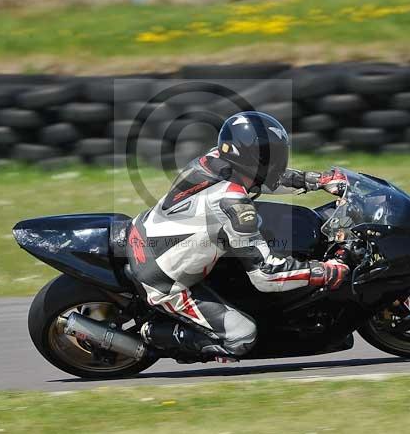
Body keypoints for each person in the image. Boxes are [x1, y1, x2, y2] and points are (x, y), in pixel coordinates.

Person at [126, 111, 350, 360]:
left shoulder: (217, 160)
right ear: (251, 158)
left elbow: (267, 178)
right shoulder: (232, 203)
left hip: (147, 232)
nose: (276, 161)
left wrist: (317, 180)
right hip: (162, 278)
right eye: (269, 156)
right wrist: (321, 271)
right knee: (241, 336)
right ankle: (154, 334)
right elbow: (266, 275)